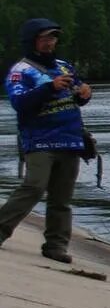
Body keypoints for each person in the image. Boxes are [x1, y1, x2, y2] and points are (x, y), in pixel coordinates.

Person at [0, 19, 93, 263]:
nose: (50, 42)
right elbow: (20, 104)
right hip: (39, 140)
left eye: (53, 38)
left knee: (61, 199)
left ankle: (56, 246)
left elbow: (76, 95)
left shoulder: (64, 66)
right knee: (34, 186)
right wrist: (49, 88)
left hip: (70, 140)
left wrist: (85, 93)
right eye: (45, 38)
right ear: (32, 41)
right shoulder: (21, 71)